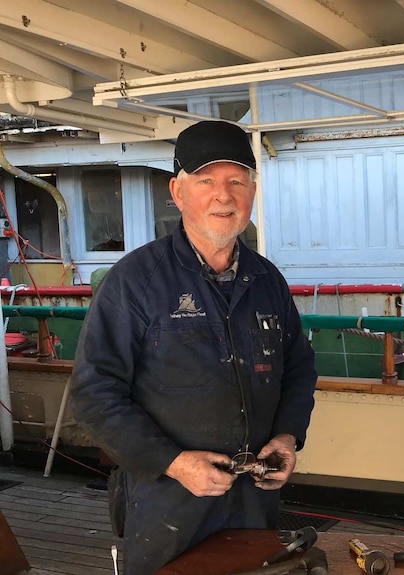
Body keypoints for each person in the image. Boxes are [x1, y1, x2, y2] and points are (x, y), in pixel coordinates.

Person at [70, 121, 318, 574]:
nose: (224, 196)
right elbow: (94, 393)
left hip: (253, 500)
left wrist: (287, 435)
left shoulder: (267, 281)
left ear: (252, 192)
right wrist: (174, 462)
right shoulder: (135, 281)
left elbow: (299, 369)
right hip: (166, 502)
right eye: (206, 181)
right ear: (178, 192)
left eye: (236, 182)